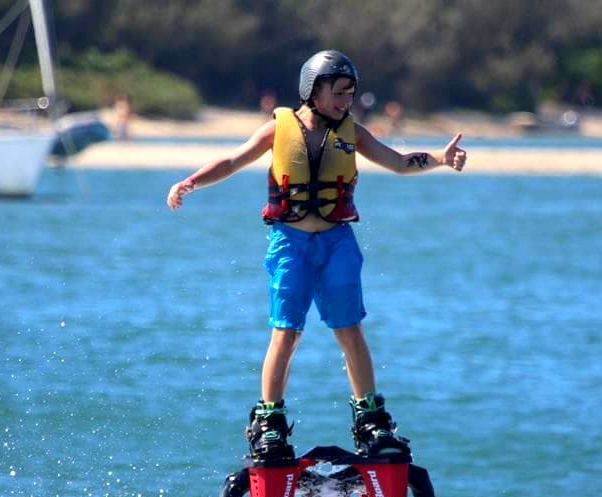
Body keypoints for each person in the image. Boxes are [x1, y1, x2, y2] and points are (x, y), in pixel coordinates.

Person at [166, 50, 466, 463]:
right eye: (339, 92)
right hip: (290, 243)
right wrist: (191, 182)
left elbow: (399, 162)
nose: (347, 101)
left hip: (337, 242)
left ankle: (371, 419)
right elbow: (233, 160)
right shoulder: (279, 127)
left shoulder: (353, 132)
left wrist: (440, 159)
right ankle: (269, 421)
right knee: (286, 332)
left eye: (351, 93)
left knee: (350, 329)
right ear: (313, 90)